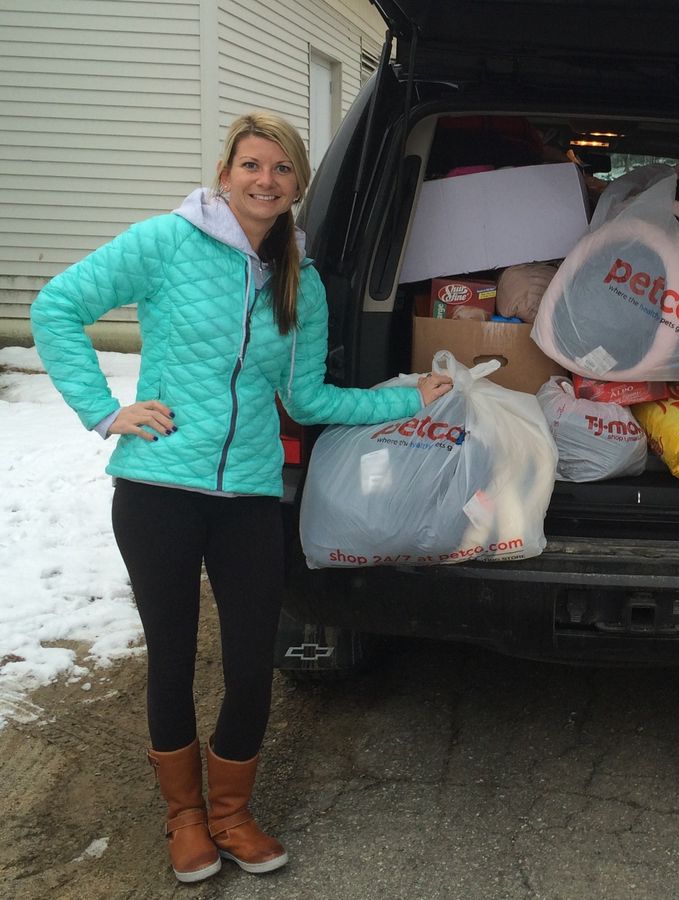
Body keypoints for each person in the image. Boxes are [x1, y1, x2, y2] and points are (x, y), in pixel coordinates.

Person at [30, 111, 452, 884]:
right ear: (225, 173)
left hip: (250, 496)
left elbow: (308, 397)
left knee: (253, 660)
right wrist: (104, 411)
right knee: (172, 657)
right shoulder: (166, 242)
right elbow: (56, 307)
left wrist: (406, 399)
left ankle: (231, 812)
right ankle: (186, 818)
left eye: (282, 168)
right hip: (159, 489)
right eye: (252, 165)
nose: (266, 180)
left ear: (297, 185)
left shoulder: (300, 280)